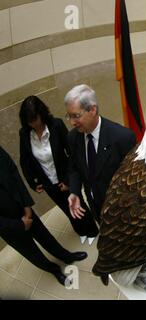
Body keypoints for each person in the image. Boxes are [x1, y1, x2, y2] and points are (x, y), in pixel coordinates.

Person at [0, 145, 87, 286]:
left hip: (21, 207)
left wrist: (26, 205)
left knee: (44, 236)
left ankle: (65, 256)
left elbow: (13, 173)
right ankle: (54, 270)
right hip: (7, 226)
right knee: (31, 251)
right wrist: (20, 225)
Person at [19, 96, 99, 245]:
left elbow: (71, 153)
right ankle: (81, 231)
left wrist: (68, 180)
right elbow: (25, 161)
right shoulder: (24, 133)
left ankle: (92, 230)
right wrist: (32, 182)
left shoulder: (56, 125)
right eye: (29, 121)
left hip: (64, 177)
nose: (33, 124)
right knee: (66, 208)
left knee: (78, 204)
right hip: (47, 181)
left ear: (41, 114)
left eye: (34, 119)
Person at [65, 84, 136, 223]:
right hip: (95, 206)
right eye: (69, 116)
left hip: (121, 210)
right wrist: (74, 191)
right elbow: (74, 168)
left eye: (76, 116)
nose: (72, 122)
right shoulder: (73, 137)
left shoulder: (123, 137)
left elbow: (133, 180)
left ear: (92, 109)